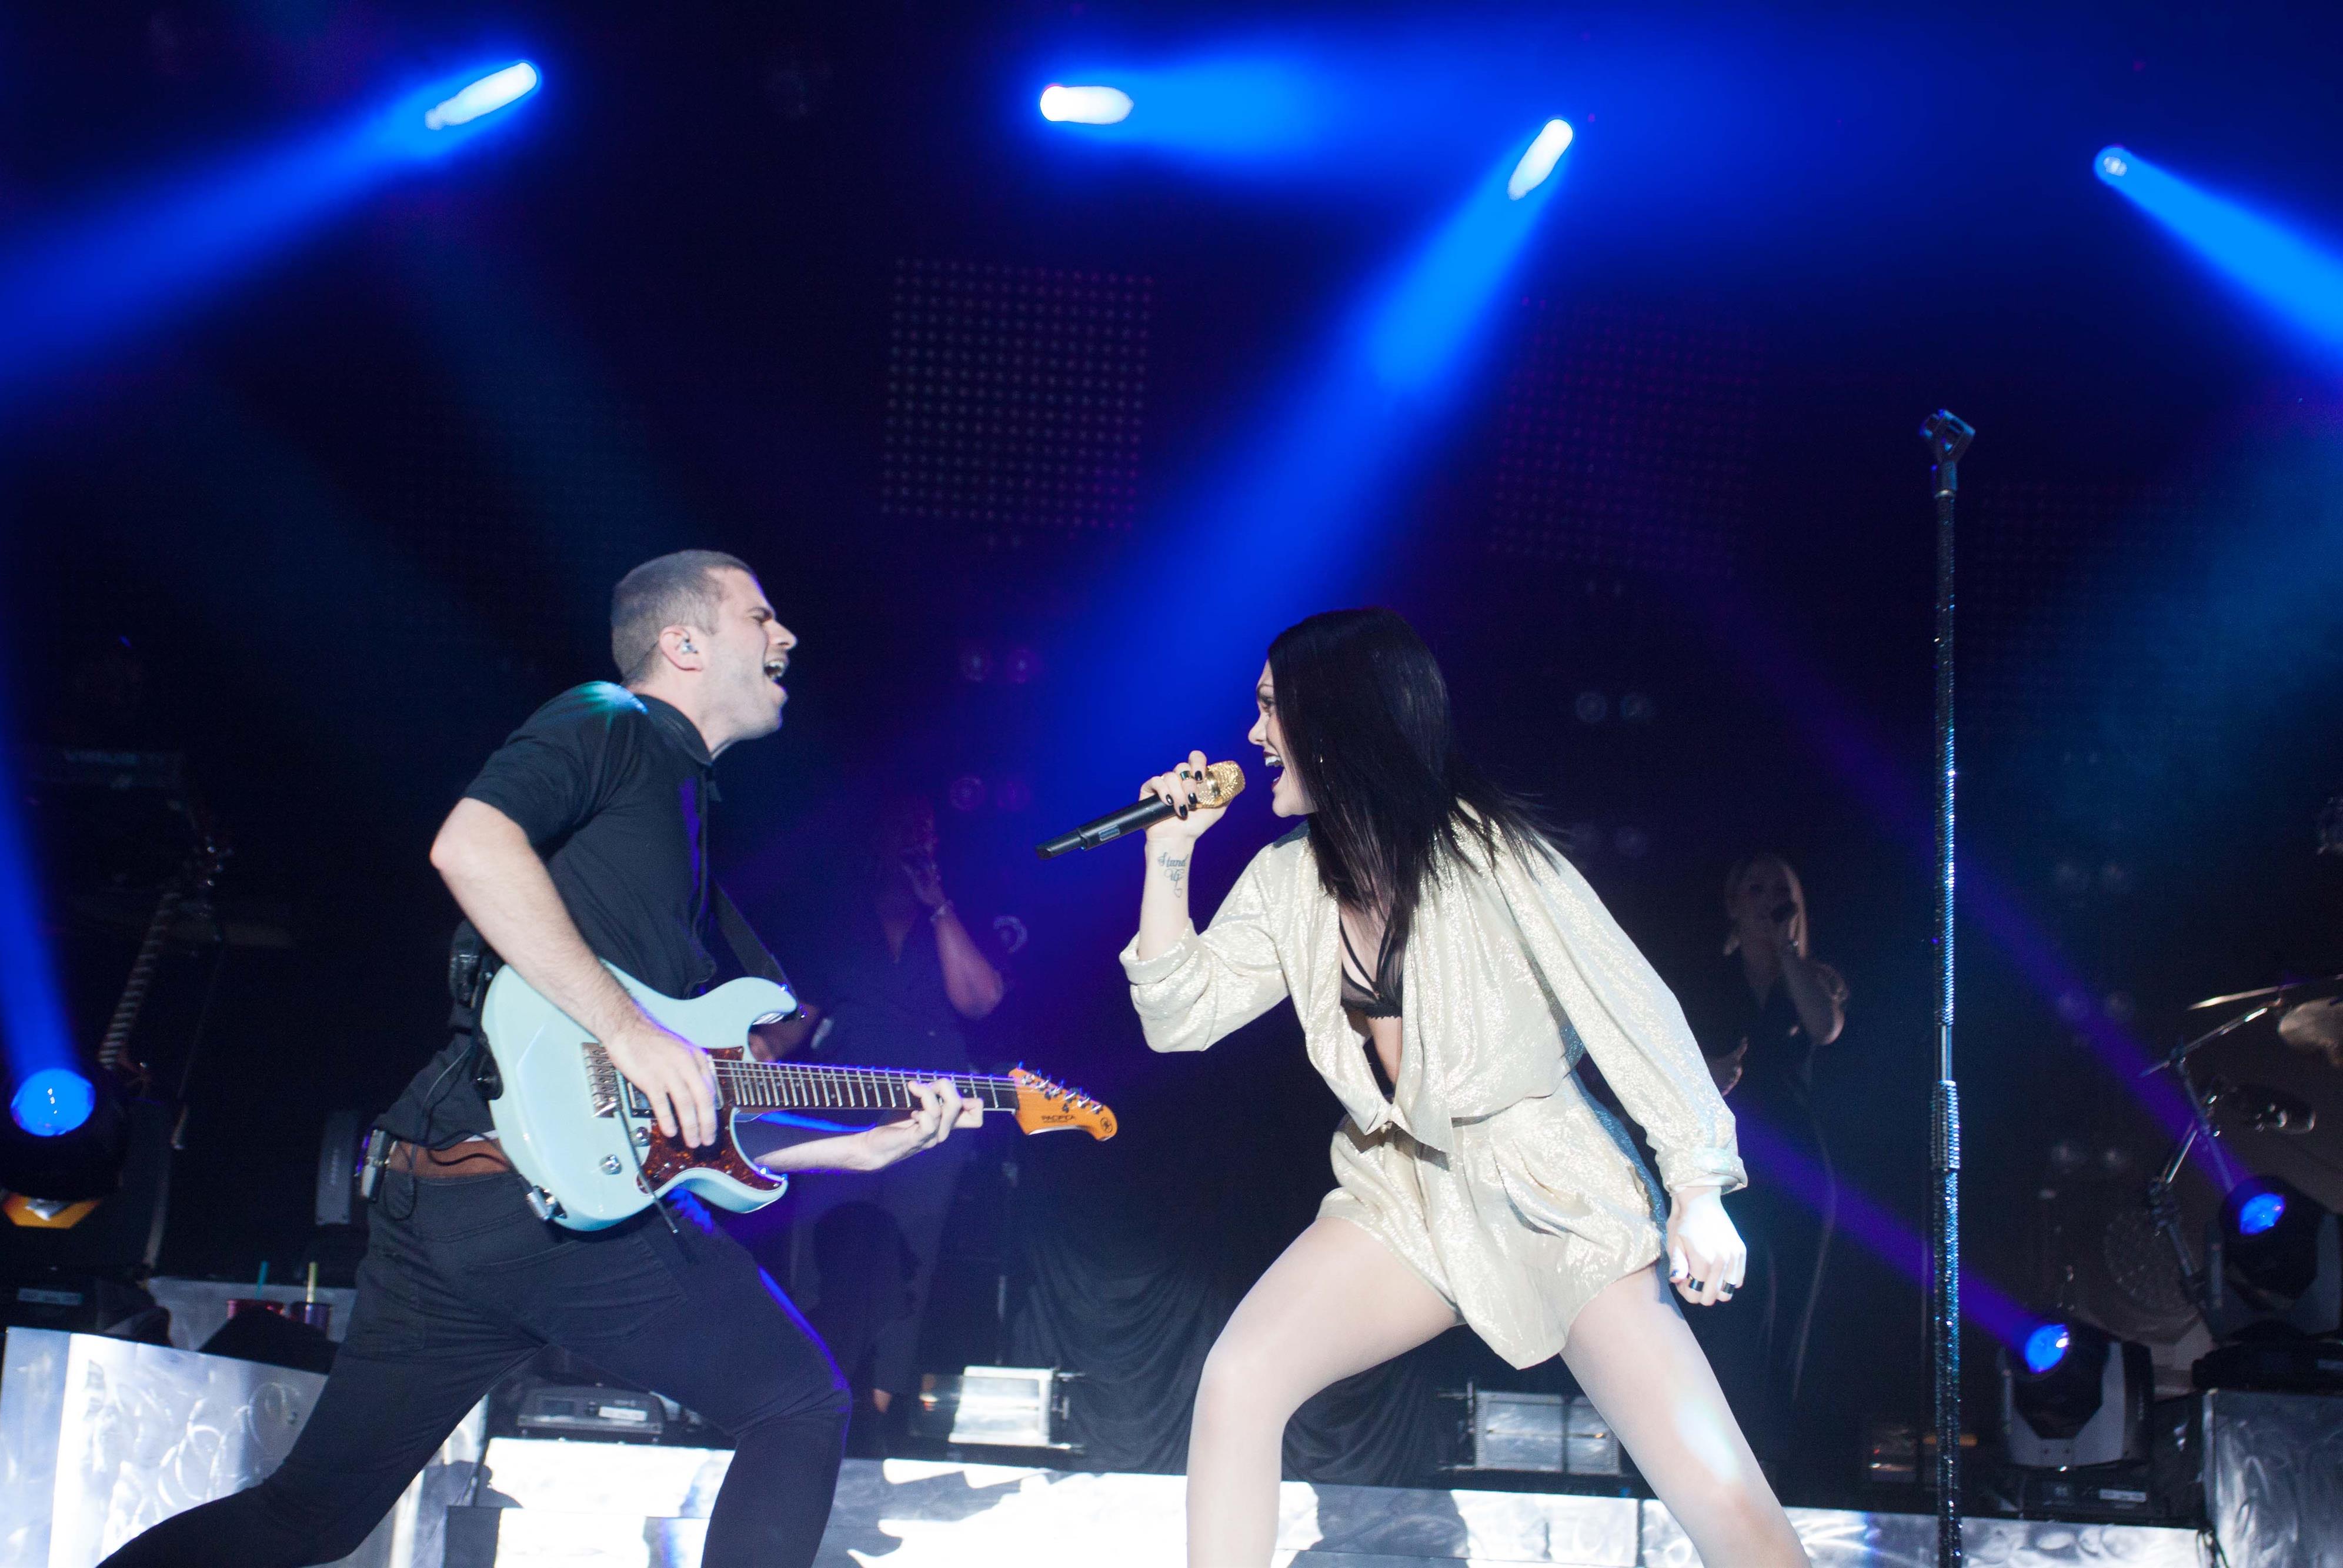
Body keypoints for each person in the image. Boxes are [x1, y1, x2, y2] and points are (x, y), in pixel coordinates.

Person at [101, 551, 980, 1568]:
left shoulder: (691, 821)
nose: (786, 639)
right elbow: (471, 846)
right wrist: (626, 1025)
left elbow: (687, 1113)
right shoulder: (610, 722)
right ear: (683, 642)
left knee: (307, 1519)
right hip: (523, 1202)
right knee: (796, 1401)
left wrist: (856, 1152)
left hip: (461, 1198)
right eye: (761, 618)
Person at [1122, 608, 1807, 1568]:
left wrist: (1698, 1189)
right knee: (1240, 1378)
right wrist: (1171, 852)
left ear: (1336, 718)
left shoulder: (1491, 856)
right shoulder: (1288, 883)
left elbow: (1632, 1006)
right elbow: (1178, 1018)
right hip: (1399, 1192)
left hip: (1552, 1192)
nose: (1254, 735)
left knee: (1730, 1508)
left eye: (1272, 708)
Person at [746, 794, 1006, 1433]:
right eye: (905, 830)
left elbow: (979, 1001)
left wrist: (938, 905)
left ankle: (878, 1421)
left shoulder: (947, 915)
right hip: (842, 1113)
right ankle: (805, 1409)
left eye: (927, 832)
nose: (917, 843)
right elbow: (802, 1012)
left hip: (931, 1121)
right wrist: (758, 1051)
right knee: (822, 1255)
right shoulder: (836, 921)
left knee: (908, 1264)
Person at [1677, 855, 1848, 1490]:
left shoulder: (1812, 978)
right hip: (1724, 1166)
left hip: (1799, 1164)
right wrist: (1710, 1072)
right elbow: (1666, 1055)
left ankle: (1774, 1460)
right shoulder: (1703, 979)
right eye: (1756, 887)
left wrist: (1788, 953)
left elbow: (1825, 1028)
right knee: (1734, 1308)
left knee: (1791, 1312)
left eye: (1783, 890)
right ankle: (1717, 1457)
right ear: (1732, 902)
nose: (1769, 897)